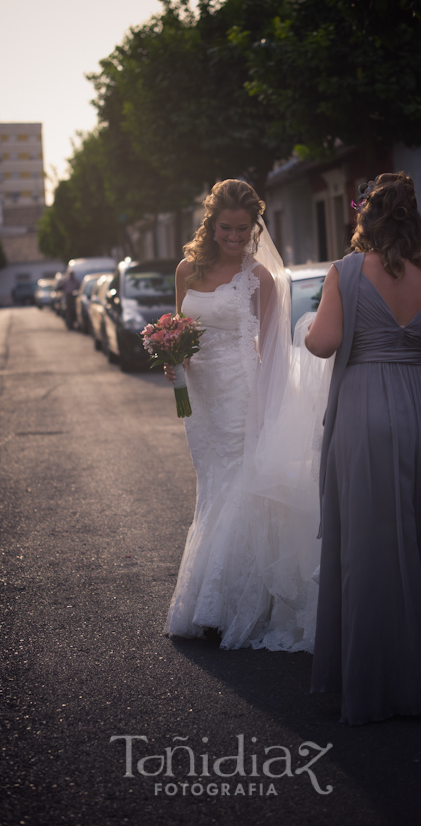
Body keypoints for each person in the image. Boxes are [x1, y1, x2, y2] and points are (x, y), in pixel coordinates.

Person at [305, 172, 421, 725]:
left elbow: (324, 342)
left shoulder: (345, 271)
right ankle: (420, 680)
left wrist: (312, 325)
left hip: (363, 410)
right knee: (415, 541)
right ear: (414, 223)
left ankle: (371, 686)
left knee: (365, 546)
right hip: (412, 412)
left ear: (365, 218)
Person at [164, 178, 325, 650]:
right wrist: (173, 358)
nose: (235, 238)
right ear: (210, 224)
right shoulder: (186, 271)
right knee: (212, 484)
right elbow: (180, 329)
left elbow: (273, 351)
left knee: (238, 482)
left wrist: (275, 408)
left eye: (243, 230)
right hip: (201, 395)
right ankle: (214, 594)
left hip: (240, 390)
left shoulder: (262, 278)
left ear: (255, 227)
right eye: (226, 229)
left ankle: (226, 604)